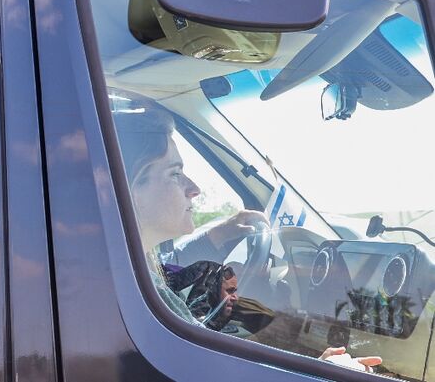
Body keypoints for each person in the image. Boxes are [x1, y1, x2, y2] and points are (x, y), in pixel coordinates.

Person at [114, 102, 382, 372]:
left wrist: (215, 237)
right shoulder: (143, 297)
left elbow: (172, 269)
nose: (193, 188)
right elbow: (204, 373)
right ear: (129, 187)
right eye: (174, 174)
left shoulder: (130, 270)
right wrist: (326, 371)